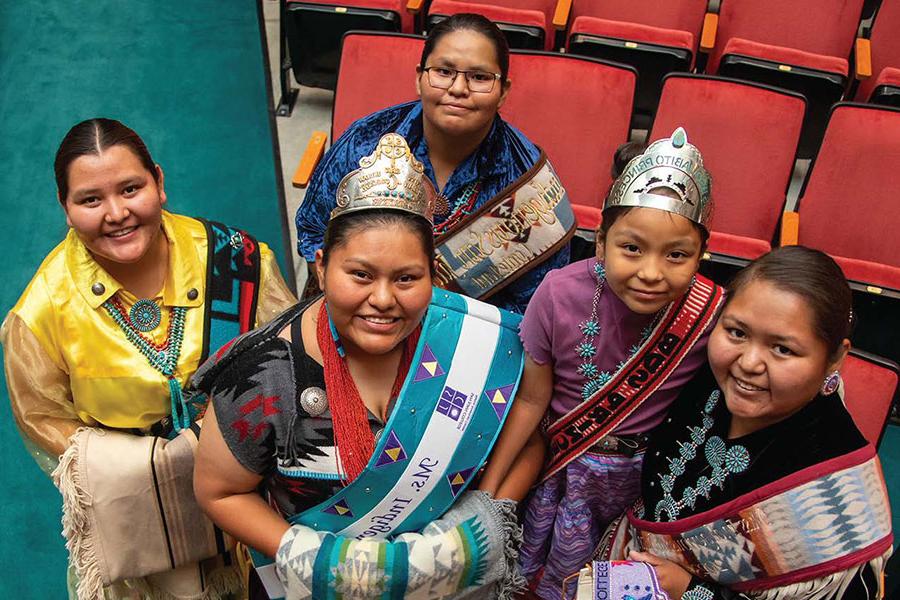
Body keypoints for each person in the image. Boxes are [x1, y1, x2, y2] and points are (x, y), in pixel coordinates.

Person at [193, 133, 527, 599]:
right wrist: (320, 561)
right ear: (322, 265)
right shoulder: (261, 373)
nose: (384, 300)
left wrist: (478, 519)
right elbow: (219, 492)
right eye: (361, 275)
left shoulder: (473, 340)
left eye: (407, 278)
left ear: (434, 272)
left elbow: (528, 433)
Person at [1, 118, 296, 599]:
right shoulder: (40, 312)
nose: (116, 213)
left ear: (158, 182)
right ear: (66, 208)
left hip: (251, 494)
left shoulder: (237, 260)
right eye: (90, 199)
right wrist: (153, 465)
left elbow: (289, 358)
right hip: (141, 520)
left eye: (130, 188)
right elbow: (42, 418)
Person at [479, 128, 725, 600]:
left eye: (677, 255)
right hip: (563, 470)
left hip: (648, 480)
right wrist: (490, 499)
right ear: (600, 242)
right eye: (631, 248)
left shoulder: (712, 314)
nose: (651, 272)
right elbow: (532, 399)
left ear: (701, 256)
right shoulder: (558, 293)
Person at [596, 246, 893, 600]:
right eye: (737, 332)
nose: (748, 362)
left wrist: (692, 592)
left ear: (834, 358)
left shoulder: (834, 493)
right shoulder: (705, 377)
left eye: (783, 349)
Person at [295, 13, 573, 314]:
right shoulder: (367, 142)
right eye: (443, 71)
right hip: (357, 312)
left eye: (479, 77)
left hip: (464, 336)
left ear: (503, 91)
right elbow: (313, 232)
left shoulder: (525, 176)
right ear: (419, 78)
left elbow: (532, 306)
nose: (458, 88)